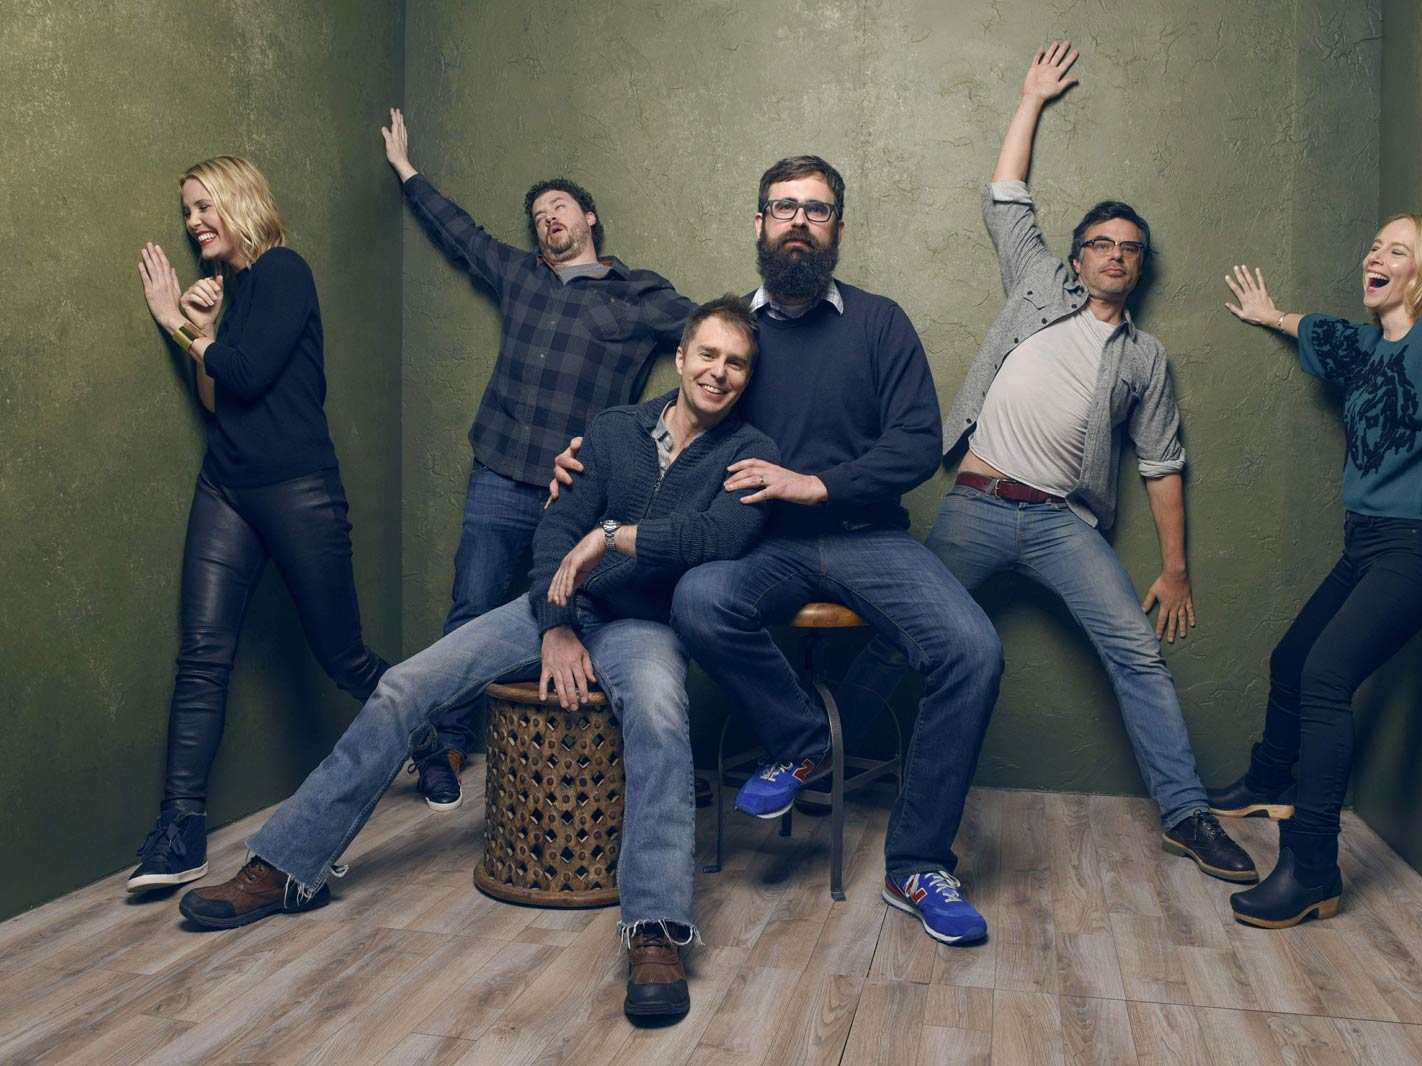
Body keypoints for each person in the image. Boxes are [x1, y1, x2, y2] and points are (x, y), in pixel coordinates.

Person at [179, 296, 776, 1027]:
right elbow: (557, 526)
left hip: (643, 625)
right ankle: (287, 866)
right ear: (681, 358)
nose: (719, 372)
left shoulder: (750, 454)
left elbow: (713, 539)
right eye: (708, 354)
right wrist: (556, 623)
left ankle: (655, 927)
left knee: (658, 712)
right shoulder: (613, 428)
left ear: (747, 377)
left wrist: (611, 536)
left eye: (736, 363)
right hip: (561, 604)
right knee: (404, 684)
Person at [555, 156, 1006, 946]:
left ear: (838, 228)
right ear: (760, 222)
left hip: (866, 537)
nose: (800, 220)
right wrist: (585, 453)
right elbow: (674, 405)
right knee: (699, 599)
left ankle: (916, 865)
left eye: (817, 209)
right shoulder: (738, 335)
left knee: (973, 650)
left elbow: (916, 445)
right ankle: (802, 741)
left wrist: (817, 484)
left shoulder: (880, 323)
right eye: (784, 206)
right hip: (761, 544)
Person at [842, 42, 1257, 884]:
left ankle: (1186, 815)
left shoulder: (1145, 358)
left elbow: (1162, 464)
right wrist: (1031, 97)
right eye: (1101, 243)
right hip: (976, 502)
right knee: (898, 633)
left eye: (1130, 248)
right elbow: (1006, 197)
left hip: (1062, 525)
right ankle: (819, 758)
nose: (1115, 255)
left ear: (1139, 266)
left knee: (1137, 652)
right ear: (1077, 258)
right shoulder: (1036, 283)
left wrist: (1175, 568)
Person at [1209, 216, 1422, 928]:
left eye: (1395, 250)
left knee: (1324, 677)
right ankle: (1270, 779)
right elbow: (1325, 333)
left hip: (1413, 550)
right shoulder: (1375, 347)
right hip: (1364, 544)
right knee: (1291, 660)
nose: (1375, 255)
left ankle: (1312, 869)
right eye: (1375, 246)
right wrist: (1273, 315)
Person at [381, 109, 696, 811]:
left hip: (577, 490)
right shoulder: (520, 276)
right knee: (472, 607)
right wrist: (406, 171)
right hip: (498, 470)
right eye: (538, 216)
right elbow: (460, 234)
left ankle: (578, 767)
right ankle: (447, 746)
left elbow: (712, 343)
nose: (548, 219)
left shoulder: (639, 294)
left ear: (590, 217)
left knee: (578, 611)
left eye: (559, 207)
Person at [128, 156, 389, 893]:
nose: (192, 222)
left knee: (344, 659)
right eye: (186, 210)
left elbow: (246, 373)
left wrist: (175, 323)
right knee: (202, 654)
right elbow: (218, 396)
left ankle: (429, 738)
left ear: (239, 200)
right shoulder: (234, 294)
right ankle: (180, 831)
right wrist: (203, 330)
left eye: (202, 205)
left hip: (298, 490)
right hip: (227, 487)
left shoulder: (284, 272)